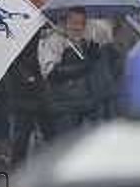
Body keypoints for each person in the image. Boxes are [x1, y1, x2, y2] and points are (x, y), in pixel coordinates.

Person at [39, 7, 100, 138]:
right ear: (65, 22)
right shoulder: (55, 40)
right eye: (74, 22)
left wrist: (92, 57)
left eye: (82, 23)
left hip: (83, 104)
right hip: (63, 105)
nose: (78, 27)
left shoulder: (83, 41)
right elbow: (50, 72)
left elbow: (88, 72)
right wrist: (81, 67)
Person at [7, 0, 50, 164]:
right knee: (20, 137)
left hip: (46, 90)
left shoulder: (51, 20)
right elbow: (10, 56)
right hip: (22, 90)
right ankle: (18, 175)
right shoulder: (17, 21)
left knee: (50, 136)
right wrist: (28, 77)